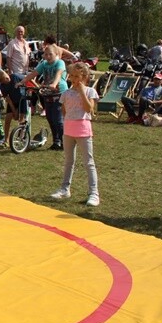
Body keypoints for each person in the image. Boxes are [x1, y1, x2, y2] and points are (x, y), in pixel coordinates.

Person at [51, 62, 100, 207]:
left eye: (76, 76)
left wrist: (82, 92)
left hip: (83, 130)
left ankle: (94, 193)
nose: (73, 78)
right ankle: (65, 189)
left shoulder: (90, 91)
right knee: (68, 161)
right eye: (71, 75)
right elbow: (64, 111)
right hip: (69, 130)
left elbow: (88, 108)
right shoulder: (66, 93)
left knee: (88, 162)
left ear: (84, 77)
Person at [22, 44, 67, 150]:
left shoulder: (60, 63)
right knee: (50, 118)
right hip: (48, 93)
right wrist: (22, 81)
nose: (47, 56)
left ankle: (64, 141)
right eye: (46, 54)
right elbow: (34, 73)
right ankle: (56, 141)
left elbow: (59, 74)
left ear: (56, 54)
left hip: (59, 93)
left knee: (58, 119)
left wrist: (54, 84)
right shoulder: (44, 64)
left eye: (50, 54)